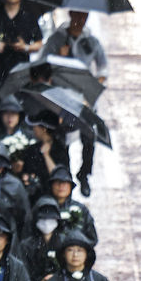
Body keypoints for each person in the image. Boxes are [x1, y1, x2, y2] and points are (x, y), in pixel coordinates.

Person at [41, 12, 107, 195]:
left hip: (84, 98)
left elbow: (103, 68)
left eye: (84, 16)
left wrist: (93, 90)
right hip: (63, 98)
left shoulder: (92, 42)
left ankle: (84, 174)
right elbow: (43, 64)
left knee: (89, 136)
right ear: (71, 15)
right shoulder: (57, 40)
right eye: (77, 16)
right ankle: (64, 176)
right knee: (61, 139)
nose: (80, 20)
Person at [20, 194, 64, 281]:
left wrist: (57, 279)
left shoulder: (65, 242)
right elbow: (23, 274)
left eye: (51, 219)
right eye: (43, 219)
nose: (46, 223)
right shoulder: (26, 245)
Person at [47, 164, 97, 244]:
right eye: (58, 182)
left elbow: (92, 238)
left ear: (70, 186)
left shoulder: (81, 209)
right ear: (52, 185)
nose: (61, 186)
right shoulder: (44, 207)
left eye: (65, 183)